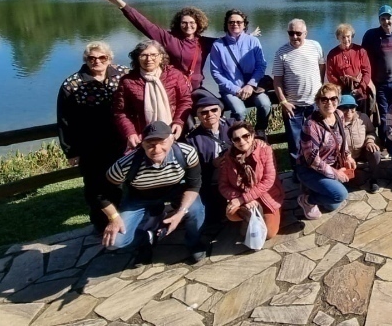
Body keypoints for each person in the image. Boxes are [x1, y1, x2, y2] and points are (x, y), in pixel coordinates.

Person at [101, 121, 206, 264]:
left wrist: (181, 212)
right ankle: (145, 240)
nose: (156, 149)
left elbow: (194, 184)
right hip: (139, 197)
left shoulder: (186, 153)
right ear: (142, 143)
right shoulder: (124, 165)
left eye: (161, 142)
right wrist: (114, 217)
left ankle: (194, 243)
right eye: (150, 143)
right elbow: (100, 193)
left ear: (171, 139)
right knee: (115, 242)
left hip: (174, 190)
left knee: (196, 210)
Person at [57, 41, 129, 231]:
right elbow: (64, 119)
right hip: (90, 144)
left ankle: (120, 219)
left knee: (119, 181)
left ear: (109, 59)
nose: (97, 61)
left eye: (102, 57)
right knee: (94, 185)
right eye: (92, 58)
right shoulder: (72, 84)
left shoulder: (123, 74)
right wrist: (70, 150)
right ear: (85, 60)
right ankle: (100, 223)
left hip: (120, 140)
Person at [99, 0, 213, 92]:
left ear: (198, 24)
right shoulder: (169, 39)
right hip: (173, 89)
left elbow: (229, 43)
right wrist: (120, 3)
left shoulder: (204, 42)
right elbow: (144, 24)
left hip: (196, 89)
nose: (188, 26)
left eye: (192, 22)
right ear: (178, 24)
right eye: (184, 23)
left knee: (215, 106)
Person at [113, 40, 192, 149]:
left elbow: (185, 101)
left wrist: (178, 122)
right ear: (137, 58)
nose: (149, 59)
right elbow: (121, 112)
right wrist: (130, 133)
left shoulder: (175, 75)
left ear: (161, 57)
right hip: (143, 135)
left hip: (173, 132)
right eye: (143, 55)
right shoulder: (128, 81)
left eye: (153, 55)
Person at [296, 83, 354, 220]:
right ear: (318, 102)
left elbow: (342, 140)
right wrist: (335, 174)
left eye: (333, 99)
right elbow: (312, 160)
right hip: (308, 169)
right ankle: (306, 200)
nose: (329, 103)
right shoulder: (311, 125)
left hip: (329, 165)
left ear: (338, 100)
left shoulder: (339, 115)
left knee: (332, 204)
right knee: (339, 195)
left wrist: (348, 156)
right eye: (324, 99)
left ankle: (314, 188)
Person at [219, 122, 284, 242]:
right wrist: (241, 198)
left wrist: (243, 199)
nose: (242, 141)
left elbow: (268, 180)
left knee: (269, 234)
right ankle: (250, 215)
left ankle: (259, 216)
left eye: (245, 136)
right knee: (231, 213)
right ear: (232, 141)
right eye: (236, 139)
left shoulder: (265, 150)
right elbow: (223, 186)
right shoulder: (228, 157)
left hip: (266, 196)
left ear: (252, 135)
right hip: (243, 198)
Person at [209, 9, 271, 136]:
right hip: (230, 89)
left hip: (253, 86)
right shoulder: (218, 45)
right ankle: (240, 137)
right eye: (231, 22)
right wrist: (235, 89)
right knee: (240, 111)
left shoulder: (253, 41)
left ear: (244, 24)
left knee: (265, 104)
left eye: (239, 22)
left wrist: (251, 84)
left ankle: (260, 131)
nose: (235, 24)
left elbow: (261, 65)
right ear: (226, 24)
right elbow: (216, 72)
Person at [273, 19, 325, 168]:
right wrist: (283, 102)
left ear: (305, 33)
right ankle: (298, 173)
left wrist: (319, 89)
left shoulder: (315, 46)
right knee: (295, 143)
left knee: (317, 139)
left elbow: (322, 68)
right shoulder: (281, 53)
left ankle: (317, 169)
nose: (294, 36)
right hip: (293, 107)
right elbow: (277, 81)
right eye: (291, 33)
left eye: (298, 33)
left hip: (314, 104)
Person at [183, 94, 234, 222]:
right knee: (214, 219)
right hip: (212, 181)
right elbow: (192, 170)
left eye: (214, 110)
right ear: (198, 116)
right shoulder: (192, 139)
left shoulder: (233, 126)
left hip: (237, 175)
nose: (209, 114)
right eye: (204, 112)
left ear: (220, 111)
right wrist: (212, 164)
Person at [361, 5, 392, 135]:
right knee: (383, 113)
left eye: (389, 18)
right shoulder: (371, 35)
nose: (386, 22)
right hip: (379, 83)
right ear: (379, 20)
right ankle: (384, 140)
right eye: (383, 19)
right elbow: (364, 58)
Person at [337, 95, 382, 193]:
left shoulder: (363, 117)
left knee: (375, 152)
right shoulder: (335, 122)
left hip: (361, 151)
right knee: (354, 181)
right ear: (338, 109)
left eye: (352, 107)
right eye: (344, 108)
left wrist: (370, 141)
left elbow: (371, 132)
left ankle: (373, 179)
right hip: (344, 156)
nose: (349, 111)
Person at [326, 24, 374, 115]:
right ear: (338, 38)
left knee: (362, 116)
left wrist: (361, 88)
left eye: (348, 36)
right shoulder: (332, 54)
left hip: (360, 89)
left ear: (351, 36)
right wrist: (341, 86)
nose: (346, 40)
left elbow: (367, 71)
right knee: (345, 117)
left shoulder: (360, 51)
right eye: (343, 37)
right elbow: (330, 74)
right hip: (343, 91)